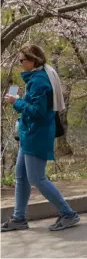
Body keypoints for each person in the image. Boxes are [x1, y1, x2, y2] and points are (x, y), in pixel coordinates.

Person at [1, 44, 80, 232]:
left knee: (37, 179)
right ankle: (19, 218)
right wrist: (22, 100)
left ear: (32, 61)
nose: (20, 64)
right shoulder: (38, 77)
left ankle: (68, 214)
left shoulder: (40, 82)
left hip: (37, 135)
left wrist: (17, 102)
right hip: (29, 134)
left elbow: (37, 112)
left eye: (22, 60)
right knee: (21, 177)